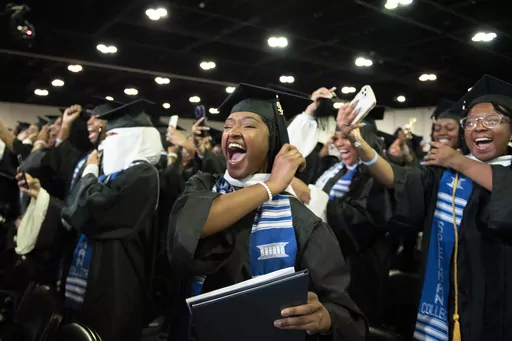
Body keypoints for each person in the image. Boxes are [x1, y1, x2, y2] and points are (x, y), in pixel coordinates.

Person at [168, 84, 367, 341]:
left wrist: (324, 317)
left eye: (249, 125)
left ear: (272, 140)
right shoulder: (204, 185)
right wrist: (272, 185)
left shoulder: (301, 220)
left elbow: (348, 316)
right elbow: (191, 226)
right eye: (228, 125)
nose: (233, 132)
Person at [336, 74, 512, 341]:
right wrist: (357, 139)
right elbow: (399, 180)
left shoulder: (469, 166)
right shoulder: (445, 173)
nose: (479, 127)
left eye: (491, 121)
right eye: (472, 121)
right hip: (444, 294)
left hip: (499, 301)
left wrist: (458, 161)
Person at [17, 99, 162, 341]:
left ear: (135, 138)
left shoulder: (143, 174)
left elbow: (88, 212)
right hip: (89, 277)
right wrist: (40, 197)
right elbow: (75, 215)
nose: (107, 142)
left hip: (116, 281)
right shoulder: (113, 176)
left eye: (113, 134)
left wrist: (90, 172)